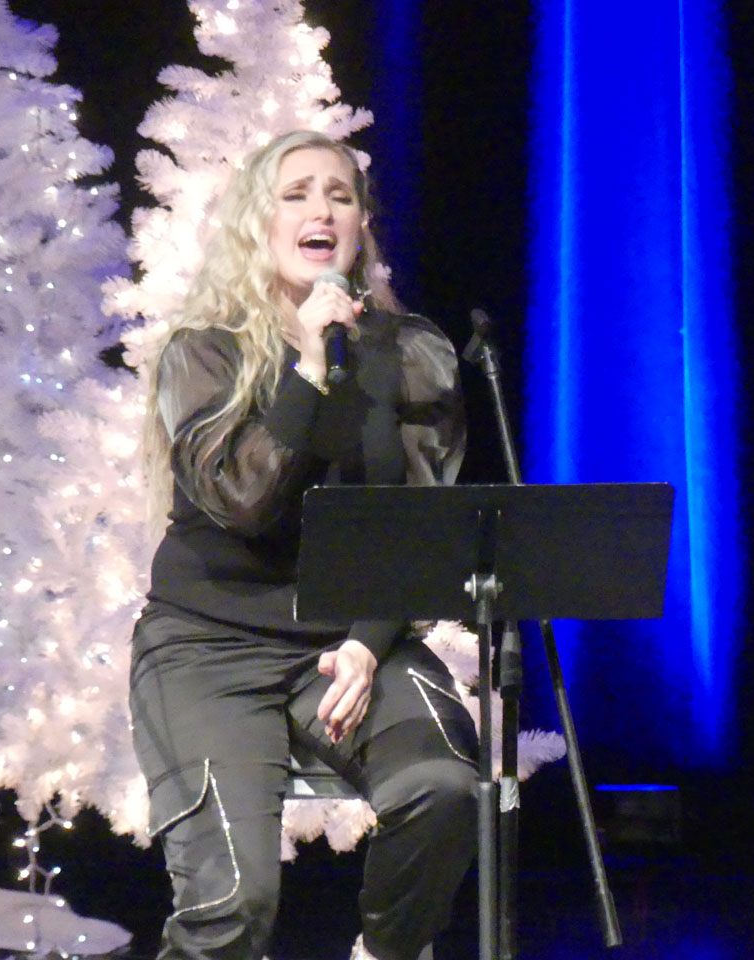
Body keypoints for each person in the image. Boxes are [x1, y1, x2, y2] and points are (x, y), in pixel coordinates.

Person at [128, 130, 479, 960]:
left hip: (348, 642)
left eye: (341, 195)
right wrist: (309, 371)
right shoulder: (203, 355)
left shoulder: (410, 354)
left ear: (360, 227)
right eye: (296, 194)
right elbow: (243, 501)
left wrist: (367, 642)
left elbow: (420, 528)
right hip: (209, 648)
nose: (322, 209)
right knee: (233, 900)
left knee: (444, 790)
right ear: (259, 223)